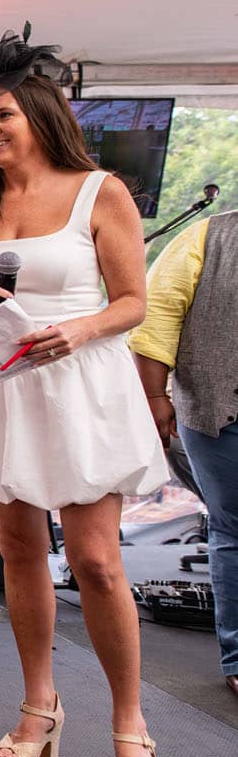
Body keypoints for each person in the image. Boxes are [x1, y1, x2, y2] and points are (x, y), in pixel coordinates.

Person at [0, 28, 168, 757]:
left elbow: (134, 300)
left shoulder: (102, 191)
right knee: (18, 550)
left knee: (97, 563)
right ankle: (40, 708)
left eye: (1, 116)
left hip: (77, 385)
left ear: (38, 110)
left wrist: (85, 329)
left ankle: (131, 731)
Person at [129, 209, 238, 700]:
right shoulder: (207, 235)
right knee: (233, 529)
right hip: (223, 408)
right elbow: (157, 316)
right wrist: (155, 396)